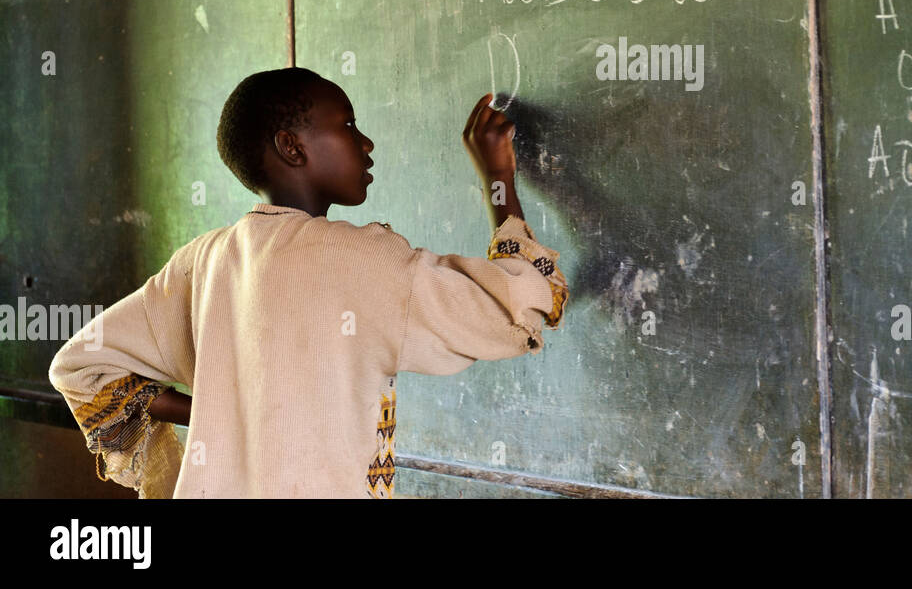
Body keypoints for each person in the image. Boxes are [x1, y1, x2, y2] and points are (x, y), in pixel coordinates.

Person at [47, 67, 567, 498]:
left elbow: (83, 368)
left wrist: (222, 413)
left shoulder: (202, 262)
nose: (366, 142)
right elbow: (520, 306)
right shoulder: (362, 259)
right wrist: (497, 177)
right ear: (291, 147)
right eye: (347, 124)